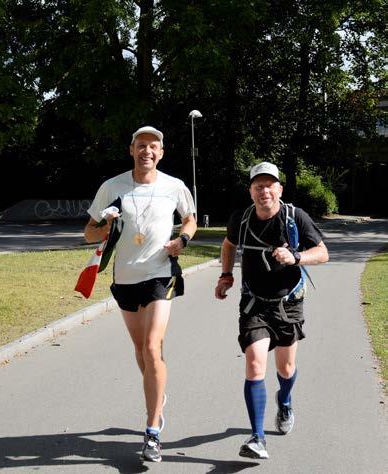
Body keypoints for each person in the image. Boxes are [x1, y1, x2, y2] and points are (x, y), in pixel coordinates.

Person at [84, 126, 197, 463]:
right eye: (141, 145)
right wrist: (105, 225)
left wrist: (182, 240)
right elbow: (89, 232)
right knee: (140, 349)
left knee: (151, 346)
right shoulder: (112, 186)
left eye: (153, 146)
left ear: (161, 153)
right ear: (131, 150)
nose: (147, 151)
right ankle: (158, 395)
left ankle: (152, 431)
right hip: (125, 277)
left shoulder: (174, 186)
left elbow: (189, 220)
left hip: (160, 274)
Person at [215, 162, 329, 460]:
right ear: (251, 191)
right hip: (254, 303)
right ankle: (257, 438)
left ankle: (286, 400)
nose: (264, 191)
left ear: (279, 189)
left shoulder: (295, 217)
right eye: (258, 186)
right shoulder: (240, 219)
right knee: (255, 364)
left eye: (269, 185)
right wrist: (225, 276)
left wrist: (296, 256)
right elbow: (228, 245)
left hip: (288, 303)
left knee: (286, 369)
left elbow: (323, 253)